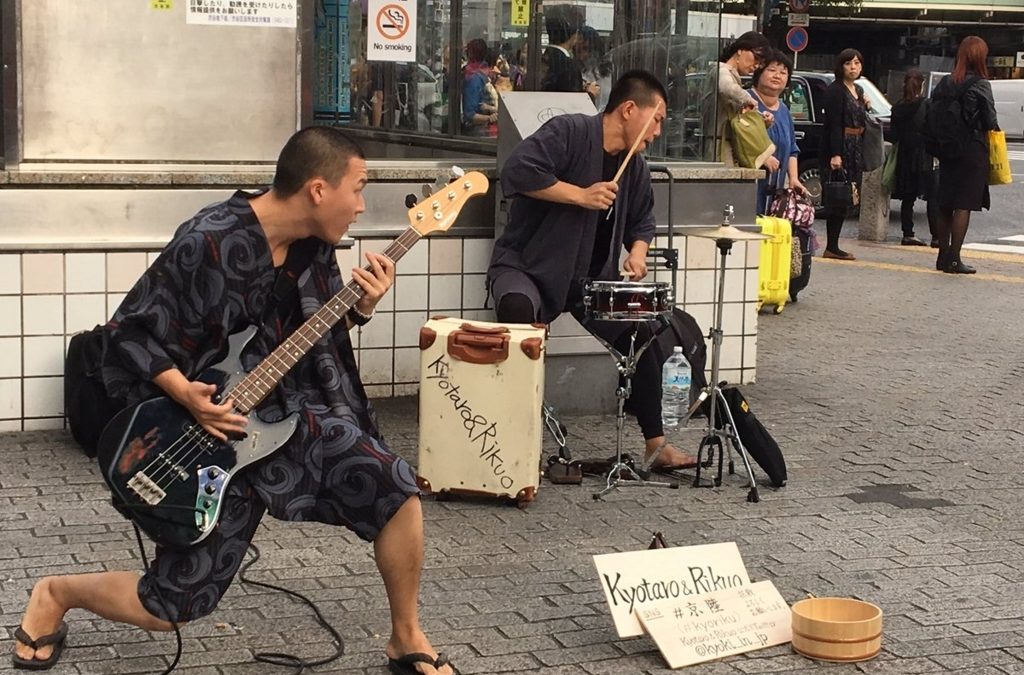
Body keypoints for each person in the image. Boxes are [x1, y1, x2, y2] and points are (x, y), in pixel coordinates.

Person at [12, 128, 459, 675]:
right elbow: (126, 332)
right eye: (359, 187)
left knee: (396, 487)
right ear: (318, 190)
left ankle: (406, 637)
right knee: (171, 605)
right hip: (202, 434)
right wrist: (186, 393)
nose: (362, 205)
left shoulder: (314, 244)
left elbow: (308, 337)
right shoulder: (208, 240)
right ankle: (56, 593)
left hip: (282, 418)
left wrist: (361, 308)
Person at [487, 70, 699, 473]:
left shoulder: (634, 166)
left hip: (589, 279)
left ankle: (656, 446)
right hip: (528, 266)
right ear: (629, 109)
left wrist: (638, 253)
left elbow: (642, 221)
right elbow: (518, 171)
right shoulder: (568, 132)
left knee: (641, 333)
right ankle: (511, 445)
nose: (658, 132)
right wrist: (580, 195)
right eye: (656, 119)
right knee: (516, 309)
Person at [932, 36, 999, 274]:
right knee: (964, 203)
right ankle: (954, 259)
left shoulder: (945, 82)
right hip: (972, 148)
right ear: (979, 57)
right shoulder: (980, 84)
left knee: (945, 202)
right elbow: (990, 120)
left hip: (947, 148)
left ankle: (942, 257)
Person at [820, 48, 868, 261]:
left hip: (856, 145)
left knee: (848, 194)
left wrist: (866, 104)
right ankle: (831, 245)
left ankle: (834, 244)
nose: (853, 67)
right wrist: (836, 154)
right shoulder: (836, 90)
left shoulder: (858, 89)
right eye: (848, 63)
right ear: (841, 67)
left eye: (857, 63)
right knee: (837, 195)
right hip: (841, 146)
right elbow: (834, 124)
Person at [700, 31, 771, 164]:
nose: (756, 65)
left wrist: (760, 119)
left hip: (726, 145)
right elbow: (726, 87)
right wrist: (748, 98)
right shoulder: (721, 70)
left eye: (760, 63)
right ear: (740, 50)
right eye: (756, 58)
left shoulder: (730, 75)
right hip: (719, 147)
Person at [749, 49, 806, 214]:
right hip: (750, 187)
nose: (777, 76)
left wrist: (793, 178)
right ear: (758, 73)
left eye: (783, 72)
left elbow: (792, 149)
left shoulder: (784, 111)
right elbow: (740, 140)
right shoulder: (747, 101)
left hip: (775, 189)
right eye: (772, 70)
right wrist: (763, 157)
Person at [889, 69, 933, 246]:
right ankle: (937, 236)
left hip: (904, 155)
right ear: (922, 85)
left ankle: (907, 232)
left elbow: (893, 135)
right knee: (932, 195)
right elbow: (931, 129)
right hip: (922, 155)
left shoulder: (897, 107)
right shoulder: (926, 105)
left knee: (907, 199)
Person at [540, 5, 599, 100]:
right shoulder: (570, 66)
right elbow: (572, 105)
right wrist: (590, 95)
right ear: (575, 34)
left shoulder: (543, 59)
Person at [462, 38, 497, 137]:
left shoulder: (473, 77)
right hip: (484, 130)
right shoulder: (484, 74)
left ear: (470, 54)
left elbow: (470, 114)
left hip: (479, 132)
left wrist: (490, 116)